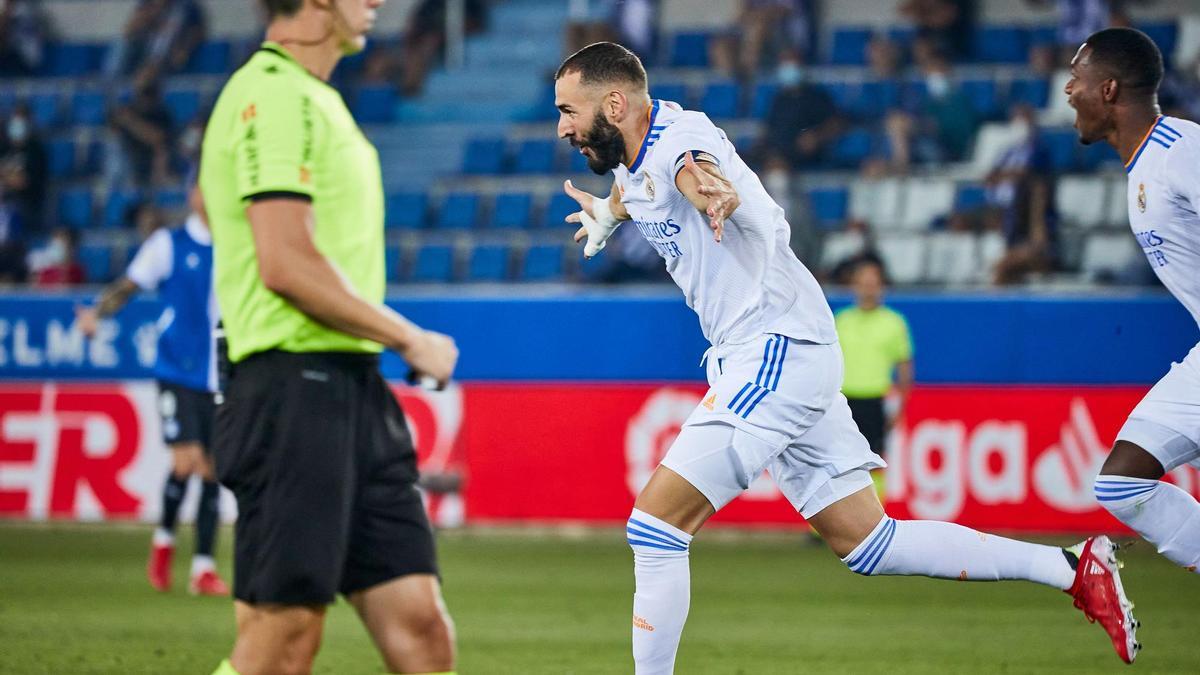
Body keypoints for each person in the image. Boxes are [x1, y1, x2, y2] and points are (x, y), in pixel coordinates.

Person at [552, 41, 1139, 673]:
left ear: (614, 102)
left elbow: (692, 171)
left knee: (655, 527)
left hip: (772, 348)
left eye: (568, 110)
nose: (562, 126)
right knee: (868, 542)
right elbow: (634, 187)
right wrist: (610, 216)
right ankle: (1073, 566)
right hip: (781, 354)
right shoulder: (633, 157)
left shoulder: (678, 142)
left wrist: (712, 194)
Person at [198, 1, 459, 674]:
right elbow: (284, 262)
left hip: (348, 385)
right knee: (283, 637)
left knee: (420, 627)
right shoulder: (272, 94)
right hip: (290, 385)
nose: (376, 2)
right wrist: (408, 337)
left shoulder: (317, 99)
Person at [1065, 28, 1200, 587]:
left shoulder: (1180, 150)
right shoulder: (1145, 167)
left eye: (1079, 77)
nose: (1069, 89)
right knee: (1121, 483)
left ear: (1110, 89)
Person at [75, 182, 229, 596]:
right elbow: (129, 285)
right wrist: (96, 312)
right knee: (186, 462)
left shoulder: (238, 242)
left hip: (219, 372)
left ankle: (203, 568)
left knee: (214, 469)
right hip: (177, 369)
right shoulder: (169, 244)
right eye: (203, 187)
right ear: (194, 195)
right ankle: (164, 544)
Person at [834, 259, 913, 459]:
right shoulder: (841, 320)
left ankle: (877, 493)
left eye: (873, 284)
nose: (868, 289)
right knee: (842, 460)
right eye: (864, 283)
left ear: (881, 287)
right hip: (844, 401)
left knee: (873, 459)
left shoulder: (893, 323)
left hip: (875, 401)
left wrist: (901, 408)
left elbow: (904, 368)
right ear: (854, 286)